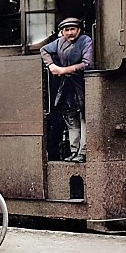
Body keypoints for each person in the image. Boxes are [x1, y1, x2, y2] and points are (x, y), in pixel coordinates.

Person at [41, 17, 94, 163]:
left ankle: (83, 152)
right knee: (71, 119)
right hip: (66, 87)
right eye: (66, 30)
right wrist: (51, 65)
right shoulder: (59, 42)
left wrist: (63, 70)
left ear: (79, 30)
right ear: (62, 32)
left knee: (84, 118)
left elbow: (87, 64)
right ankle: (73, 151)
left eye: (73, 29)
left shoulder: (85, 41)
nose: (70, 33)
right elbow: (44, 50)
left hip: (81, 85)